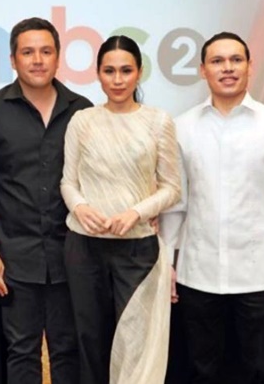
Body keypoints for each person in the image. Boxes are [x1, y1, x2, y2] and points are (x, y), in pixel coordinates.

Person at [161, 31, 264, 383]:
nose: (227, 68)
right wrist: (165, 263)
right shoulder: (182, 128)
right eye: (217, 61)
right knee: (202, 370)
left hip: (258, 274)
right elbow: (176, 204)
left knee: (259, 370)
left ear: (249, 67)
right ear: (203, 70)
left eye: (236, 60)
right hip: (198, 273)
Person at [0, 17, 92, 384]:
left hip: (73, 254)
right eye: (28, 52)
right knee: (21, 351)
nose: (37, 60)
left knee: (68, 349)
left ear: (58, 57)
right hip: (14, 256)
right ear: (13, 59)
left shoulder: (83, 110)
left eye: (46, 51)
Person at [60, 35, 181, 384]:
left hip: (138, 249)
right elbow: (68, 182)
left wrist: (136, 213)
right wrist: (80, 207)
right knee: (91, 342)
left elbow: (172, 188)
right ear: (98, 74)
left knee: (136, 346)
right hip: (84, 247)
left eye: (126, 71)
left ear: (139, 72)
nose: (117, 80)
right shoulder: (82, 120)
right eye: (109, 71)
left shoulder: (158, 121)